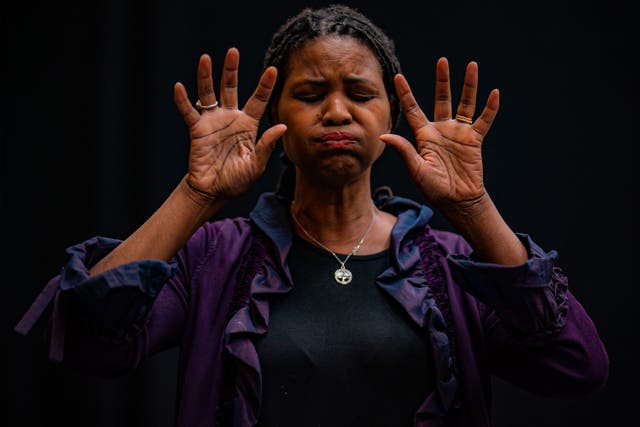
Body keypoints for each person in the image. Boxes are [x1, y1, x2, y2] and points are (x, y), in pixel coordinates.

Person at [15, 4, 609, 426]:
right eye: (308, 94)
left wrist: (472, 209)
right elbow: (90, 344)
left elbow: (576, 368)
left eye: (359, 92)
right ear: (275, 119)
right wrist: (198, 195)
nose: (336, 110)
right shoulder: (216, 256)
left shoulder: (451, 266)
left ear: (391, 118)